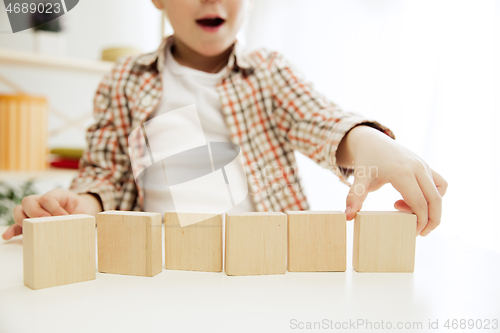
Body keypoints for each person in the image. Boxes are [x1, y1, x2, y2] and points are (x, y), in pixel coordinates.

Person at [2, 0, 447, 241]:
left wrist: (373, 144)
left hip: (269, 258)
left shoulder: (269, 70)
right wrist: (83, 205)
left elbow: (322, 121)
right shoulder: (124, 80)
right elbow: (108, 177)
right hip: (162, 260)